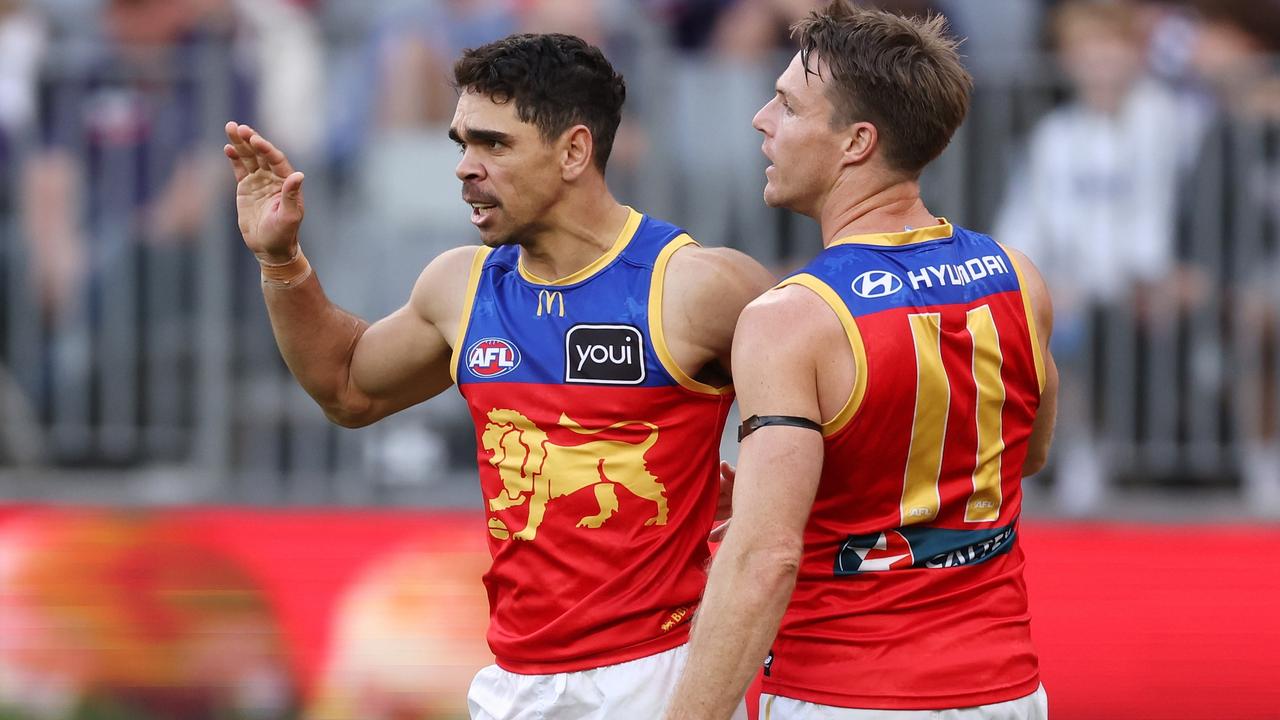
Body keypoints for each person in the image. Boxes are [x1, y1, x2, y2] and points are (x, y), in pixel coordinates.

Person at [223, 32, 773, 719]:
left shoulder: (694, 287)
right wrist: (282, 261)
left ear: (573, 151)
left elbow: (848, 404)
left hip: (660, 676)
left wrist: (769, 487)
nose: (463, 167)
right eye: (461, 143)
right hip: (514, 681)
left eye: (493, 144)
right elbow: (347, 389)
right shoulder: (461, 286)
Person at [664, 3, 1057, 719]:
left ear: (856, 142)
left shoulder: (792, 319)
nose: (761, 119)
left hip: (850, 690)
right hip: (1006, 687)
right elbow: (1022, 456)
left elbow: (763, 561)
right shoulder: (1017, 276)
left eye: (786, 104)